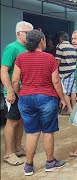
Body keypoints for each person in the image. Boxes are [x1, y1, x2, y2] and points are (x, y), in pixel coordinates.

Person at [11, 29, 66, 176]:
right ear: (41, 40)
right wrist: (62, 98)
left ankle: (28, 166)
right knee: (48, 131)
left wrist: (20, 93)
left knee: (32, 133)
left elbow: (15, 80)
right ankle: (50, 163)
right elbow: (56, 81)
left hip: (26, 98)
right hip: (47, 98)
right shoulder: (49, 58)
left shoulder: (21, 58)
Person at [1, 21, 33, 166]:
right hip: (13, 91)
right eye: (28, 33)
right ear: (18, 33)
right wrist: (9, 91)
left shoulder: (27, 48)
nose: (30, 36)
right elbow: (4, 71)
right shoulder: (12, 48)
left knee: (20, 121)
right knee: (12, 121)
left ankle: (18, 148)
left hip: (24, 91)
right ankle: (8, 153)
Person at [55, 31, 77, 114]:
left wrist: (55, 72)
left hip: (65, 73)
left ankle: (69, 109)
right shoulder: (73, 47)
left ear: (61, 39)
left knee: (64, 92)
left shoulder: (60, 47)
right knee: (73, 91)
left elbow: (57, 61)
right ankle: (74, 109)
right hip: (74, 71)